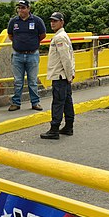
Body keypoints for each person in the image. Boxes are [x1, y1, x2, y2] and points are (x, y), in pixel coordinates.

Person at [40, 12, 75, 140]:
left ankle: (54, 129)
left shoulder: (59, 38)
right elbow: (71, 56)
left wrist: (69, 75)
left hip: (60, 76)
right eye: (51, 21)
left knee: (58, 103)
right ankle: (69, 126)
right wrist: (71, 73)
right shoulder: (63, 36)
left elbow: (65, 58)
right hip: (64, 75)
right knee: (67, 102)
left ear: (62, 22)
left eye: (55, 21)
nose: (52, 23)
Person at [7, 0, 46, 111]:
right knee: (18, 81)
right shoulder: (13, 21)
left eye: (23, 7)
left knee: (32, 81)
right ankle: (16, 103)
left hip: (32, 55)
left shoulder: (37, 21)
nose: (21, 10)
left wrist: (32, 44)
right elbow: (10, 35)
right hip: (17, 55)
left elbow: (42, 35)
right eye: (19, 7)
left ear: (29, 9)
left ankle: (35, 103)